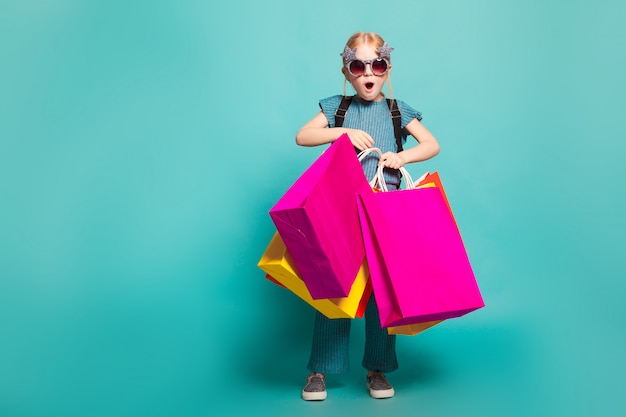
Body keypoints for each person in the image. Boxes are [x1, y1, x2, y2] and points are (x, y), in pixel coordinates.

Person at [295, 32, 440, 401]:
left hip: (384, 212)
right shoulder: (338, 109)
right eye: (358, 66)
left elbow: (431, 144)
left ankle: (377, 368)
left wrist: (402, 157)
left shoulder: (396, 110)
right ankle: (319, 370)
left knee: (382, 290)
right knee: (333, 285)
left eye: (376, 65)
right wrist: (341, 132)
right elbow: (303, 136)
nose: (368, 73)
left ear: (387, 70)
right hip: (342, 211)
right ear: (347, 73)